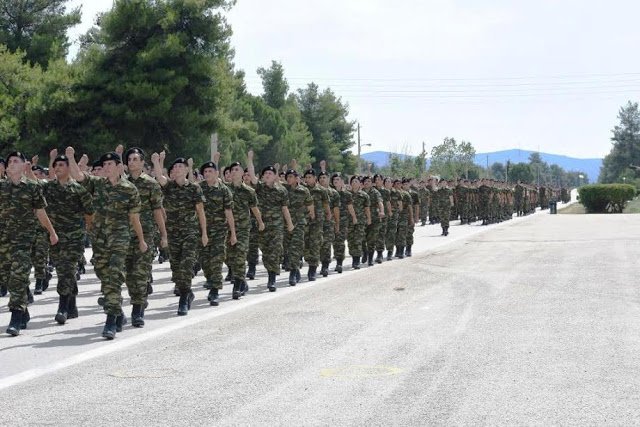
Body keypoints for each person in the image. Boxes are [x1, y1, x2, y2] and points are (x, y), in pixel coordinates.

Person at [68, 148, 147, 339]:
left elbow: (134, 218)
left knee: (114, 276)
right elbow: (78, 175)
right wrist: (71, 157)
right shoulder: (98, 184)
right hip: (100, 239)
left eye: (110, 164)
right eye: (104, 165)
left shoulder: (130, 190)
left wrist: (142, 240)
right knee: (103, 274)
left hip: (120, 239)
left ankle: (110, 320)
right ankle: (118, 311)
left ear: (119, 166)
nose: (106, 167)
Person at [1, 151, 58, 336]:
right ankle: (23, 312)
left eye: (15, 161)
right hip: (3, 239)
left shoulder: (32, 188)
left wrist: (51, 232)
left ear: (25, 165)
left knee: (19, 276)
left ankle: (16, 316)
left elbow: (40, 212)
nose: (11, 163)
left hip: (23, 240)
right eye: (9, 161)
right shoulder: (1, 187)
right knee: (7, 277)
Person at [151, 152, 207, 316]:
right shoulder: (169, 187)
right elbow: (160, 177)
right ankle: (187, 292)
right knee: (175, 267)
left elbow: (200, 211)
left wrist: (204, 233)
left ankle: (184, 297)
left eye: (180, 166)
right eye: (175, 167)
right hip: (173, 233)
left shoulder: (194, 188)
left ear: (186, 169)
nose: (177, 169)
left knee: (186, 265)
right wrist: (156, 161)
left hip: (190, 232)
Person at [41, 150, 93, 325]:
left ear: (69, 168)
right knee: (63, 269)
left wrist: (88, 230)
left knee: (67, 269)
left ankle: (62, 307)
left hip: (74, 238)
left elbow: (89, 212)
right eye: (55, 165)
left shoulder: (79, 190)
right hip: (55, 237)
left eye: (61, 165)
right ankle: (72, 304)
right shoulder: (49, 188)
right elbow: (35, 187)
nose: (58, 168)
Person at [123, 147, 168, 326]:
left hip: (146, 234)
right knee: (128, 273)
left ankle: (137, 309)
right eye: (130, 159)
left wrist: (164, 235)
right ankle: (137, 298)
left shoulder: (151, 184)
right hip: (124, 234)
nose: (132, 162)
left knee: (141, 272)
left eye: (136, 159)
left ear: (143, 163)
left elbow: (158, 211)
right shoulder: (121, 184)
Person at [247, 152, 294, 291]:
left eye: (270, 173)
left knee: (275, 249)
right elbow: (251, 173)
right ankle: (270, 271)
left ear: (275, 176)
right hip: (262, 225)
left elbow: (285, 209)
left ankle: (272, 277)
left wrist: (289, 223)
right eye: (265, 173)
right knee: (266, 251)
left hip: (277, 225)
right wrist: (250, 159)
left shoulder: (281, 191)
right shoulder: (259, 187)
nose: (267, 175)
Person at [198, 160, 236, 305]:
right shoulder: (199, 189)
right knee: (204, 260)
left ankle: (215, 290)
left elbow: (228, 212)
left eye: (210, 171)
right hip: (202, 230)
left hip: (219, 230)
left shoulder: (224, 190)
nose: (207, 174)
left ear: (216, 173)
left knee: (217, 260)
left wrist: (233, 233)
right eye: (205, 172)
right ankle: (210, 279)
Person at [224, 160, 264, 299]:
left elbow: (254, 209)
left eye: (237, 169)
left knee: (240, 255)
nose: (234, 172)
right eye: (232, 170)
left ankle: (238, 284)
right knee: (230, 257)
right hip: (227, 228)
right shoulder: (224, 189)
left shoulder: (249, 191)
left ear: (242, 173)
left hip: (242, 228)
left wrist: (260, 222)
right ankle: (242, 280)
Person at [282, 168, 313, 285]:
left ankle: (293, 272)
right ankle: (296, 270)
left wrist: (310, 216)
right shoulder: (284, 190)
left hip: (299, 223)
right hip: (286, 224)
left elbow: (310, 206)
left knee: (295, 248)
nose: (289, 179)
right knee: (287, 248)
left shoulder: (303, 191)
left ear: (296, 178)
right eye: (287, 177)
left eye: (291, 177)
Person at [348, 176, 370, 269]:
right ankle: (363, 251)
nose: (354, 183)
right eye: (352, 181)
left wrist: (369, 219)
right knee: (351, 240)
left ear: (360, 184)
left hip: (360, 221)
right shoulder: (347, 194)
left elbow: (367, 208)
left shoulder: (364, 195)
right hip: (349, 221)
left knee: (357, 239)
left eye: (356, 181)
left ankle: (356, 261)